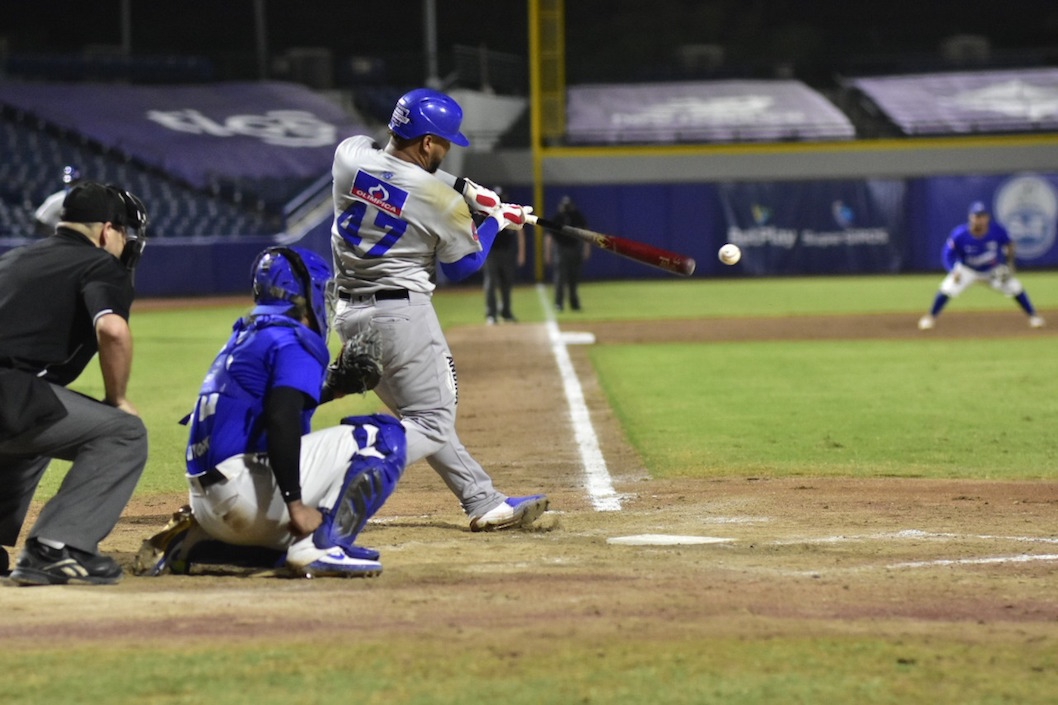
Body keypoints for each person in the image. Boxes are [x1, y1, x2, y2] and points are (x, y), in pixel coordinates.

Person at [329, 87, 549, 532]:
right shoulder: (440, 201)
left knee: (421, 416)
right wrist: (494, 221)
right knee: (430, 420)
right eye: (443, 143)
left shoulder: (348, 157)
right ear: (427, 142)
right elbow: (463, 265)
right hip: (400, 317)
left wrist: (466, 190)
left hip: (349, 315)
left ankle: (482, 501)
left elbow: (389, 168)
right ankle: (336, 470)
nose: (447, 151)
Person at [137, 246, 406, 578]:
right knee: (385, 437)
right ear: (305, 292)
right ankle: (321, 547)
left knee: (282, 546)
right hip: (243, 493)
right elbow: (281, 417)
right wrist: (295, 505)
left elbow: (267, 406)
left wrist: (332, 389)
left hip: (207, 504)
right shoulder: (294, 339)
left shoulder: (246, 335)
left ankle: (194, 544)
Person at [0, 181, 150, 586]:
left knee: (39, 416)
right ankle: (56, 547)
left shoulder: (16, 258)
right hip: (9, 392)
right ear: (106, 230)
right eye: (124, 233)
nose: (127, 243)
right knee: (125, 433)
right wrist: (116, 398)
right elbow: (113, 331)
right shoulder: (100, 264)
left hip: (14, 395)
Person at [919, 201, 1045, 330]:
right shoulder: (960, 234)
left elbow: (1009, 244)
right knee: (947, 288)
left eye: (983, 216)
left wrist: (1009, 263)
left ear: (987, 218)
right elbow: (947, 254)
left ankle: (1033, 316)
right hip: (967, 269)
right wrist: (953, 270)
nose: (980, 220)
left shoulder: (997, 230)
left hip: (992, 270)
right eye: (977, 216)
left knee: (1014, 287)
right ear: (971, 217)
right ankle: (930, 317)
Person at [482, 185, 526, 325]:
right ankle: (491, 314)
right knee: (491, 282)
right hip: (491, 253)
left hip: (507, 252)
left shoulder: (509, 212)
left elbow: (520, 231)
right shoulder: (486, 213)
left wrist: (521, 252)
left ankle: (506, 312)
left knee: (507, 282)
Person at [544, 196, 591, 312]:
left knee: (573, 278)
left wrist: (586, 248)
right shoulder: (557, 217)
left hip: (574, 249)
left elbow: (586, 232)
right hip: (560, 250)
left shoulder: (576, 216)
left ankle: (574, 303)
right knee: (560, 278)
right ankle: (558, 303)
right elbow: (549, 237)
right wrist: (547, 253)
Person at [34, 165, 82, 236]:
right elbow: (39, 219)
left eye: (76, 182)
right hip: (60, 235)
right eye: (72, 182)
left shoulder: (83, 198)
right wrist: (55, 236)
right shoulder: (58, 199)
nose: (74, 185)